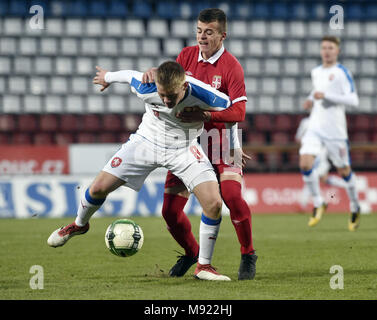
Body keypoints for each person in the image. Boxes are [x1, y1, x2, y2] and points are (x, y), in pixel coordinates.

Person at [47, 61, 237, 281]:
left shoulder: (205, 95)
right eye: (162, 95)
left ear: (184, 86)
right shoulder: (146, 86)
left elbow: (232, 110)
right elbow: (128, 75)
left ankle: (204, 266)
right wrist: (107, 77)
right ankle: (79, 225)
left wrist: (231, 146)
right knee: (98, 188)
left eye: (171, 96)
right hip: (146, 143)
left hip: (184, 148)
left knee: (214, 204)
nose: (166, 101)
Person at [142, 8, 257, 280]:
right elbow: (169, 83)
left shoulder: (232, 67)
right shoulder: (185, 56)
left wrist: (207, 116)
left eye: (208, 32)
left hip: (221, 141)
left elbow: (239, 113)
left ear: (222, 35)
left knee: (231, 196)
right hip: (187, 142)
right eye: (199, 31)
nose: (202, 37)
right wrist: (154, 72)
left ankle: (248, 253)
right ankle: (192, 252)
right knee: (169, 212)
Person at [299, 35, 360, 231]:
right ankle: (318, 202)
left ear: (337, 51)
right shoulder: (316, 72)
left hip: (335, 131)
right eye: (324, 48)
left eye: (330, 48)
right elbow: (317, 90)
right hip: (315, 127)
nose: (326, 51)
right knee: (305, 162)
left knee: (344, 171)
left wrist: (326, 96)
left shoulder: (342, 72)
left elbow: (353, 100)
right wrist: (310, 99)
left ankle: (355, 206)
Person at [295, 117, 348, 212]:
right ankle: (348, 184)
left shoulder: (322, 122)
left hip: (319, 152)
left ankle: (304, 205)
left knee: (310, 178)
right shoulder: (307, 122)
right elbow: (298, 138)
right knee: (324, 179)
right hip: (312, 152)